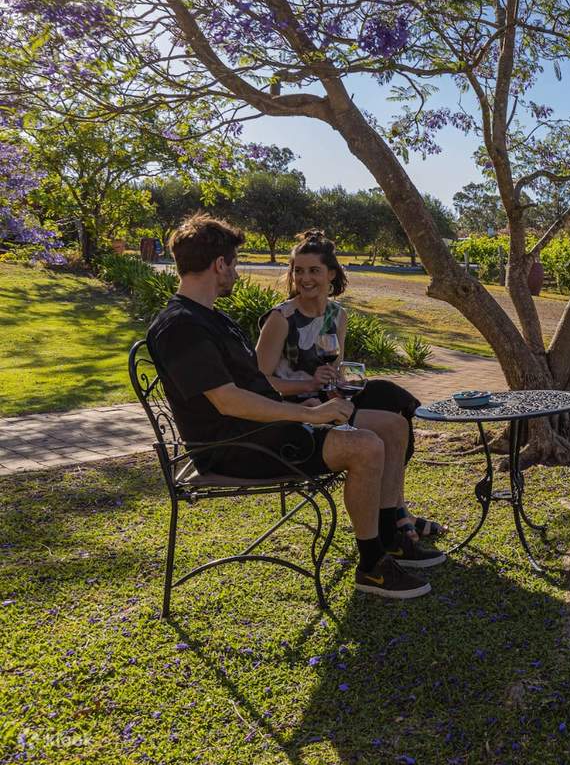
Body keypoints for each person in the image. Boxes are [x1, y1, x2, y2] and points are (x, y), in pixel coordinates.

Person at [145, 214, 443, 601]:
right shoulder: (181, 326)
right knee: (365, 445)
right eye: (234, 262)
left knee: (390, 424)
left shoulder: (210, 318)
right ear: (220, 264)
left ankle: (391, 535)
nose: (236, 272)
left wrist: (316, 405)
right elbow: (228, 400)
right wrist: (309, 414)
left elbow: (250, 384)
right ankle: (372, 566)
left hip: (262, 431)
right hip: (236, 448)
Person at [254, 229, 447, 545]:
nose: (305, 278)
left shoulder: (337, 314)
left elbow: (335, 367)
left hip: (328, 401)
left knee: (393, 400)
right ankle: (397, 516)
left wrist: (338, 383)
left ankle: (396, 510)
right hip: (299, 409)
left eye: (313, 270)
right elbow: (259, 384)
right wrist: (309, 383)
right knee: (392, 424)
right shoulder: (281, 318)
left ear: (330, 273)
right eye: (298, 271)